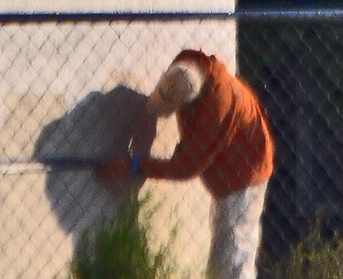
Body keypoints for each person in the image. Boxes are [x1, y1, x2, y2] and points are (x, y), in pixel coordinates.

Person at [95, 49, 275, 279]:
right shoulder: (186, 64)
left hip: (246, 173)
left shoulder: (216, 108)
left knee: (233, 254)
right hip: (232, 163)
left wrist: (134, 166)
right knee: (222, 249)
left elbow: (184, 169)